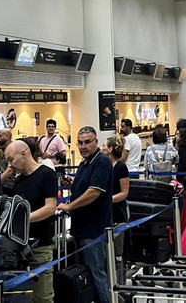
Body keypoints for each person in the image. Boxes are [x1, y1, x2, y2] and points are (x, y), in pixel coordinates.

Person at [56, 126, 112, 303]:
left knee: (96, 275)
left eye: (87, 142)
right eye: (80, 143)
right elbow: (83, 189)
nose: (83, 146)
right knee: (86, 275)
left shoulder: (101, 161)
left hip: (93, 229)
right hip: (81, 228)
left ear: (96, 142)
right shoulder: (84, 162)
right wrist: (72, 184)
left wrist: (70, 206)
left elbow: (94, 192)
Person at [5, 140, 57, 303]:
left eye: (11, 159)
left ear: (24, 154)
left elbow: (50, 208)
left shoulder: (47, 174)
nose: (10, 165)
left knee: (43, 296)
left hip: (40, 246)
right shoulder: (19, 180)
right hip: (19, 247)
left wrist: (24, 220)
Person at [102, 134, 129, 257]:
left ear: (110, 149)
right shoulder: (102, 167)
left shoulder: (121, 167)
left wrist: (108, 200)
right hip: (105, 211)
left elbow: (124, 192)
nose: (101, 148)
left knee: (117, 250)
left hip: (117, 212)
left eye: (104, 146)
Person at [0, 129, 16, 196]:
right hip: (5, 186)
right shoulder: (4, 150)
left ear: (7, 137)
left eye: (0, 136)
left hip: (11, 187)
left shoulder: (12, 150)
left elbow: (10, 169)